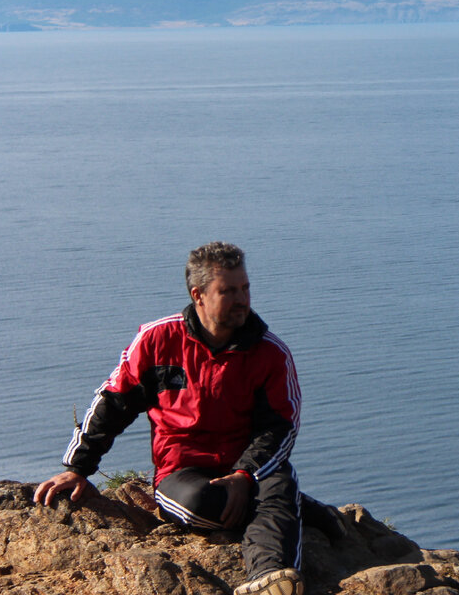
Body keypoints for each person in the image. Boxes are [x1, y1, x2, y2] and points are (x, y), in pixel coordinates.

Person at [34, 242, 305, 595]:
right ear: (199, 295)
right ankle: (296, 512)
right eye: (228, 291)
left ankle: (269, 580)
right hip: (183, 470)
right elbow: (112, 404)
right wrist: (78, 468)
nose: (242, 299)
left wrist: (243, 475)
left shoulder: (270, 353)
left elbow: (280, 428)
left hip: (248, 468)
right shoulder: (157, 340)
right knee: (203, 505)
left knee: (277, 486)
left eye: (245, 288)